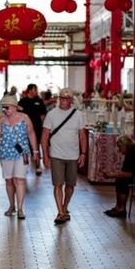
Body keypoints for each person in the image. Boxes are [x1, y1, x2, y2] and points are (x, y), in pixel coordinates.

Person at [41, 88, 87, 225]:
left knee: (70, 185)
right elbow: (44, 136)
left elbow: (82, 136)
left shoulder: (79, 115)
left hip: (73, 155)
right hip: (56, 154)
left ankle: (65, 207)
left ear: (71, 100)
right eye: (61, 98)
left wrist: (83, 153)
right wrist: (45, 155)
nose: (63, 100)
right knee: (58, 184)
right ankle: (60, 212)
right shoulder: (51, 114)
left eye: (66, 98)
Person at [0, 93, 38, 219]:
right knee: (9, 180)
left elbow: (31, 133)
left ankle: (20, 208)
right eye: (3, 108)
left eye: (7, 107)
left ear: (15, 106)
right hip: (5, 153)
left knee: (19, 179)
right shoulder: (2, 120)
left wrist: (35, 151)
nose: (5, 110)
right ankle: (12, 205)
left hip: (22, 153)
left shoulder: (25, 118)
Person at [18, 84, 47, 175]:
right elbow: (18, 115)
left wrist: (43, 126)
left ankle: (38, 166)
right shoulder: (23, 101)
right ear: (29, 90)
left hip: (37, 128)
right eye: (34, 90)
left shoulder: (39, 101)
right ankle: (25, 167)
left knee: (36, 147)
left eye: (36, 90)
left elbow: (43, 115)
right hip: (24, 128)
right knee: (24, 148)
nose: (36, 92)